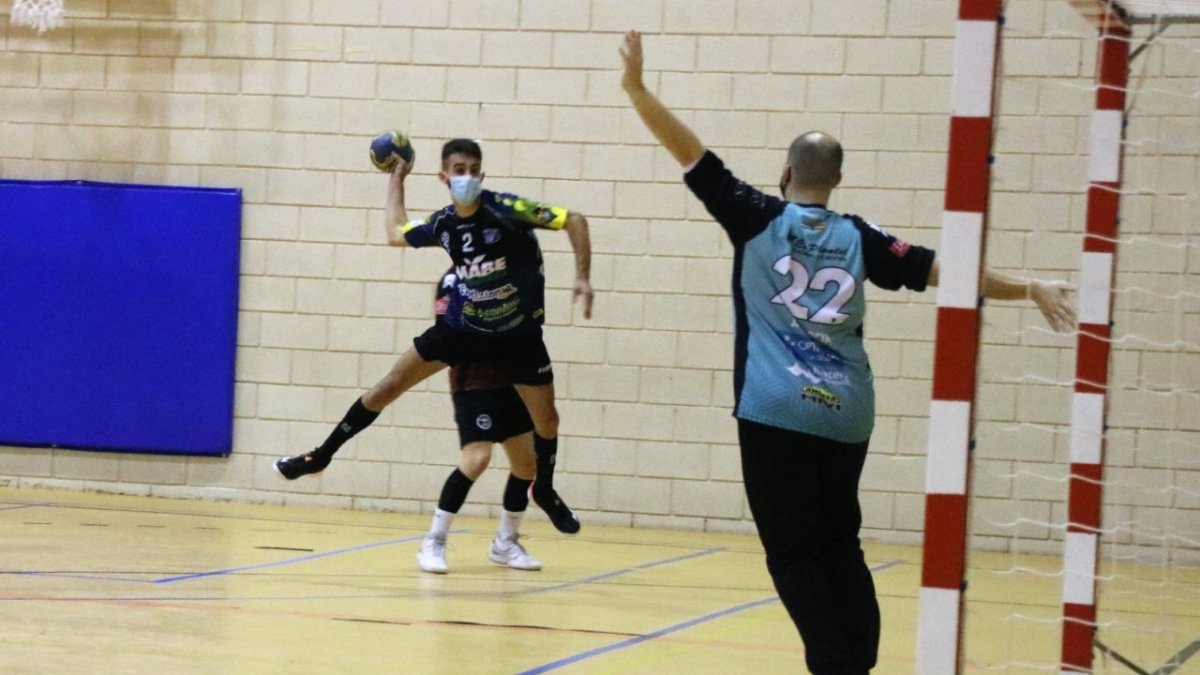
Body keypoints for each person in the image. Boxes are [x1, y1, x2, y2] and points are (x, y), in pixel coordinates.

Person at [618, 30, 1076, 675]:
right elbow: (951, 267)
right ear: (838, 180)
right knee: (841, 547)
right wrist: (1027, 286)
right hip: (848, 411)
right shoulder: (863, 236)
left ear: (785, 174)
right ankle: (856, 665)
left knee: (794, 555)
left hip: (775, 408)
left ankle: (835, 667)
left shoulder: (753, 214)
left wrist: (637, 88)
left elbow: (689, 151)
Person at [275, 138, 593, 536]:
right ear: (444, 177)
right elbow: (395, 232)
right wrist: (396, 177)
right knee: (388, 385)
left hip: (517, 335)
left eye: (474, 169)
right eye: (459, 170)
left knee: (547, 421)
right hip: (464, 330)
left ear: (482, 174)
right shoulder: (444, 224)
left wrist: (582, 276)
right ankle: (320, 456)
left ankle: (543, 491)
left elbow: (574, 220)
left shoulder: (508, 209)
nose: (468, 176)